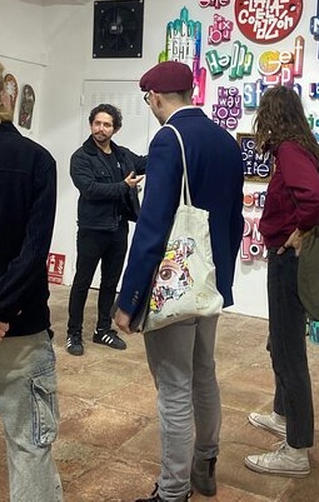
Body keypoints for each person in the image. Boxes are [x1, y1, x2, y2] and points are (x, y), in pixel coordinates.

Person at [114, 61, 244, 502]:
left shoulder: (169, 138)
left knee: (173, 386)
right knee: (203, 372)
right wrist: (221, 281)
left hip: (174, 283)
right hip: (209, 281)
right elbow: (235, 220)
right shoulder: (225, 139)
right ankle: (205, 464)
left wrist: (130, 298)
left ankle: (172, 490)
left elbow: (152, 226)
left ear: (154, 97)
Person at [0, 53, 63, 500]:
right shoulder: (37, 160)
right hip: (17, 329)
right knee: (29, 448)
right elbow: (32, 254)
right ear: (1, 96)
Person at [244, 85, 319, 478]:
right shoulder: (303, 147)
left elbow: (317, 197)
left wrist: (301, 230)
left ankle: (296, 449)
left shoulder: (289, 150)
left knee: (289, 351)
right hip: (289, 260)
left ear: (270, 116)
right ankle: (282, 414)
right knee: (281, 340)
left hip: (289, 261)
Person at [66, 103, 147, 356]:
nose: (101, 129)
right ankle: (73, 333)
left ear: (116, 129)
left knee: (111, 282)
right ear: (91, 125)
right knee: (82, 282)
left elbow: (145, 162)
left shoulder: (122, 155)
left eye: (107, 125)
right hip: (92, 229)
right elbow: (90, 189)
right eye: (97, 123)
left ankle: (102, 329)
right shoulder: (81, 157)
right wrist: (124, 186)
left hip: (118, 228)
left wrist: (169, 147)